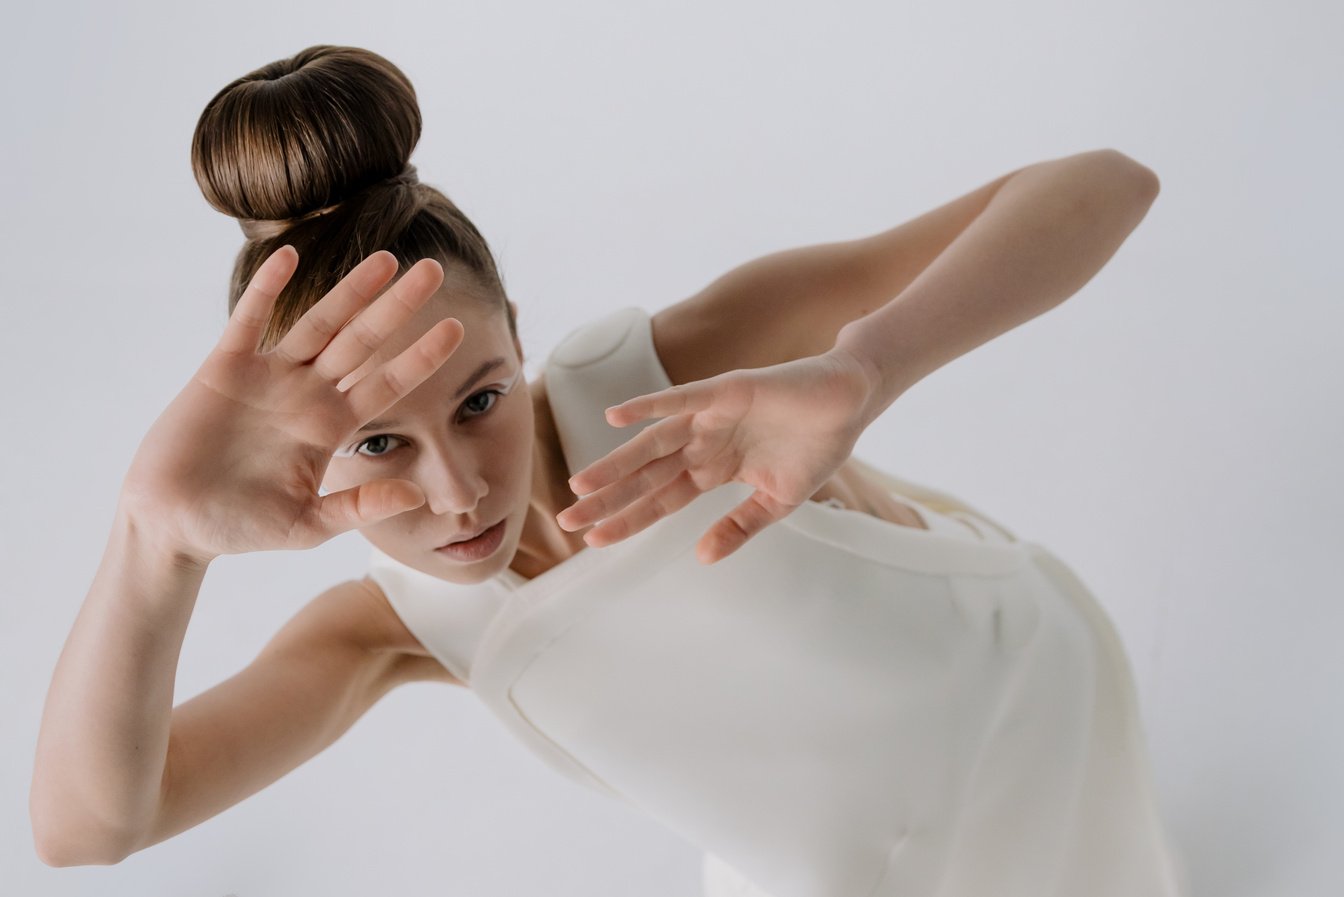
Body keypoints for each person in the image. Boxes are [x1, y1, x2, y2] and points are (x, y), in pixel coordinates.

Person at [30, 44, 1188, 897]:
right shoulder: (386, 628)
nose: (458, 491)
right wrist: (152, 541)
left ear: (519, 334)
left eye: (478, 400)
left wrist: (866, 368)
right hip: (832, 869)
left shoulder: (663, 377)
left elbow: (1105, 183)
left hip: (1025, 719)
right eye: (379, 440)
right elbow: (87, 831)